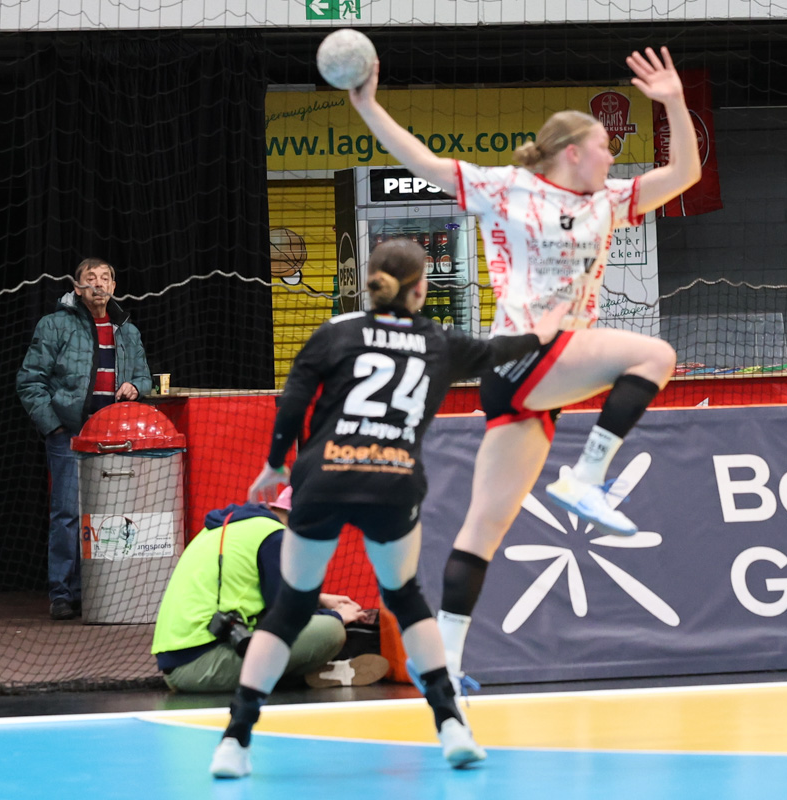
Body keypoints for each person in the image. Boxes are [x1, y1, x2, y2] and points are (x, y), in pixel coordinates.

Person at [347, 46, 701, 700]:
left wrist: (675, 101)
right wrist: (367, 104)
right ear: (572, 151)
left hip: (536, 377)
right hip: (523, 352)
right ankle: (586, 478)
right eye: (605, 148)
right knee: (654, 356)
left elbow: (685, 172)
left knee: (484, 528)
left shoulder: (608, 201)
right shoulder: (506, 188)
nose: (613, 157)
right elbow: (421, 161)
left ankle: (440, 665)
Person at [209, 238, 568, 779]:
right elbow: (507, 349)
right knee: (404, 597)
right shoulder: (439, 341)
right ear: (421, 289)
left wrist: (277, 462)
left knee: (290, 609)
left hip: (324, 477)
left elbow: (294, 399)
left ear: (370, 282)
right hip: (393, 481)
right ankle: (452, 726)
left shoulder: (336, 331)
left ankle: (234, 741)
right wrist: (550, 325)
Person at [16, 258, 152, 621]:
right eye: (91, 278)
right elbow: (29, 381)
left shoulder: (127, 330)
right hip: (70, 436)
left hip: (114, 437)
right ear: (77, 288)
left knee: (110, 513)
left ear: (114, 286)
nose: (99, 283)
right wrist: (54, 427)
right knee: (67, 514)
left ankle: (106, 590)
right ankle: (64, 593)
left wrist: (135, 386)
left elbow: (145, 377)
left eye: (105, 278)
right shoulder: (55, 325)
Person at [151, 486, 387, 693]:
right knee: (329, 630)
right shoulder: (275, 537)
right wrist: (337, 616)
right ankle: (307, 673)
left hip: (181, 665)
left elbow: (254, 592)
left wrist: (319, 599)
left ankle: (306, 675)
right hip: (202, 665)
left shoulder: (236, 526)